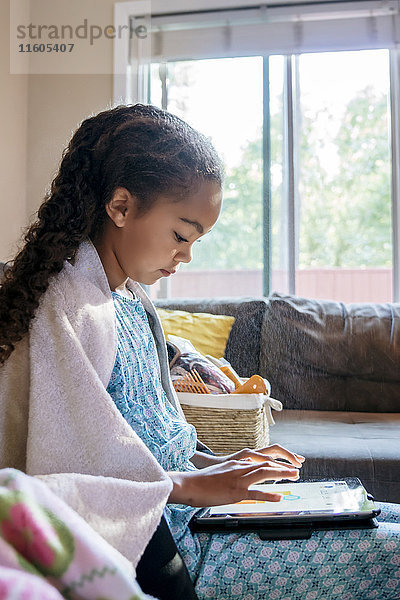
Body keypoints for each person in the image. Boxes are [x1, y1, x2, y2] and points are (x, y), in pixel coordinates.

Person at [0, 104, 399, 600]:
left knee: (378, 515)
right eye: (181, 234)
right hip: (164, 538)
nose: (186, 255)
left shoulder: (129, 298)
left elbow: (154, 439)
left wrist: (222, 465)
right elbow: (70, 476)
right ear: (120, 206)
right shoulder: (69, 302)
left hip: (190, 512)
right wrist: (195, 487)